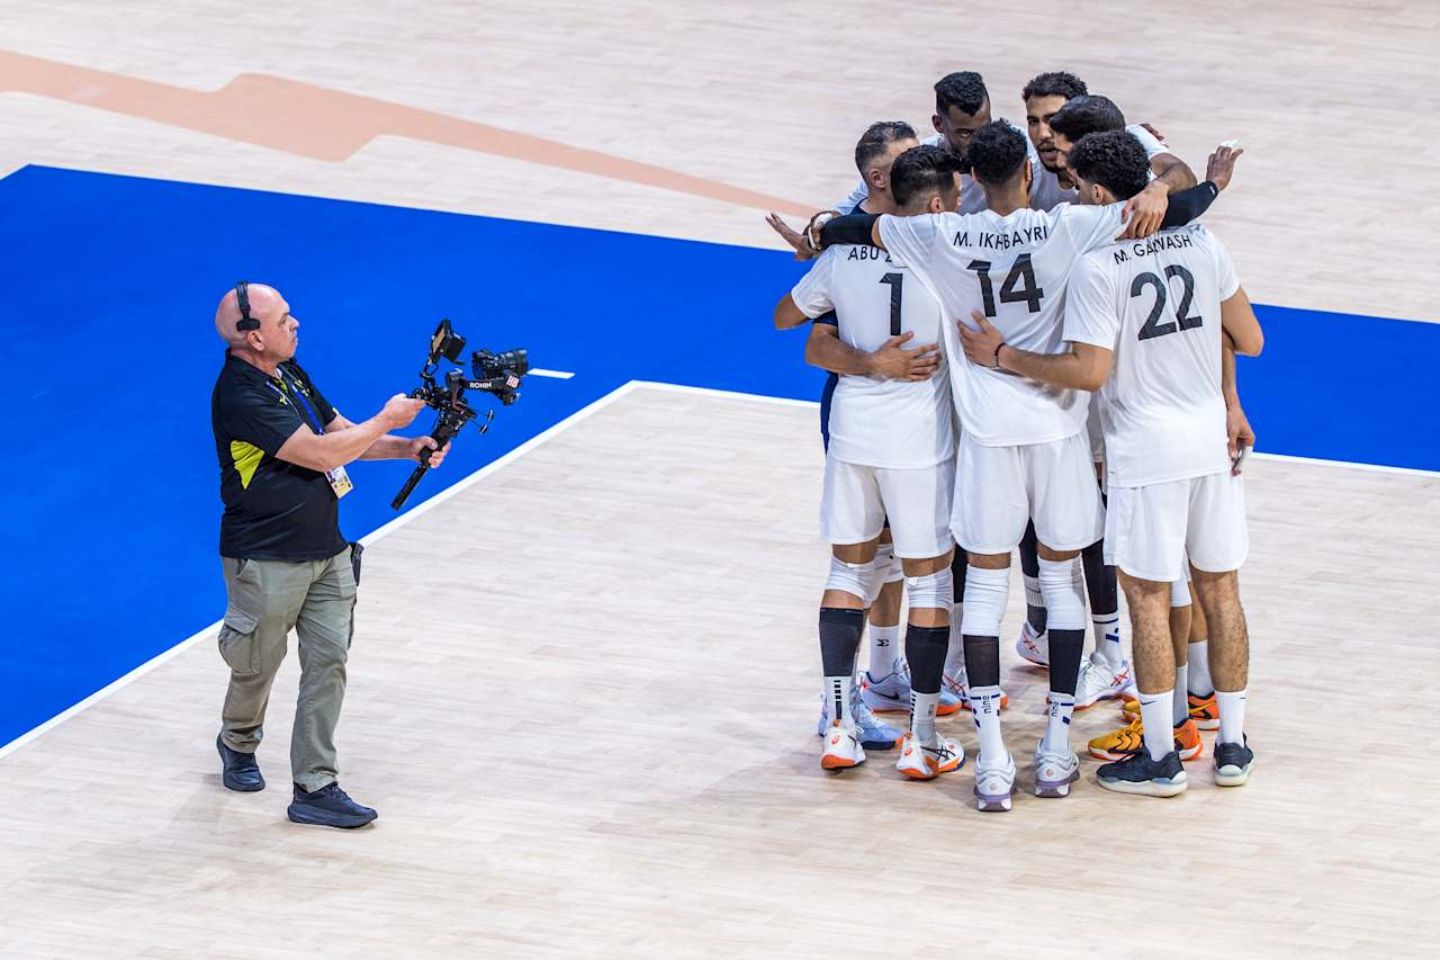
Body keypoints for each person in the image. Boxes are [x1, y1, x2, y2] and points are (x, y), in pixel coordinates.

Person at [810, 125, 1230, 811]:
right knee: (1062, 583)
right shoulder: (1069, 225)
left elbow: (860, 230)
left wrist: (822, 229)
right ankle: (1057, 746)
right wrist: (1204, 186)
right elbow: (1171, 212)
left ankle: (993, 760)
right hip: (1059, 435)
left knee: (981, 590)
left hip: (986, 441)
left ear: (974, 180)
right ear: (1029, 176)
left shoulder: (938, 235)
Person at [958, 131, 1261, 796]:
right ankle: (1233, 746)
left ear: (1098, 193)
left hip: (1146, 449)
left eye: (1074, 185)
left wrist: (1004, 356)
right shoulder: (1204, 243)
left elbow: (1089, 372)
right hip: (1209, 441)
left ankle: (1162, 756)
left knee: (1147, 600)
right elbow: (1251, 337)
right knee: (1221, 590)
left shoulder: (1098, 267)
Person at [210, 281, 448, 828]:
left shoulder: (290, 372)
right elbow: (319, 454)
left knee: (328, 664)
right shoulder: (240, 396)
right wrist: (388, 419)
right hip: (265, 556)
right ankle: (238, 740)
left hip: (327, 550)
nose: (295, 324)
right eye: (283, 320)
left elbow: (343, 435)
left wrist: (407, 448)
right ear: (253, 337)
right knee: (258, 663)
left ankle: (315, 786)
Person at [775, 141, 963, 779]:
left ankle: (838, 727)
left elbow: (786, 317)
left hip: (854, 431)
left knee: (848, 572)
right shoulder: (953, 253)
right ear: (935, 204)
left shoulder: (843, 254)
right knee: (929, 581)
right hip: (920, 439)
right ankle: (923, 739)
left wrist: (862, 352)